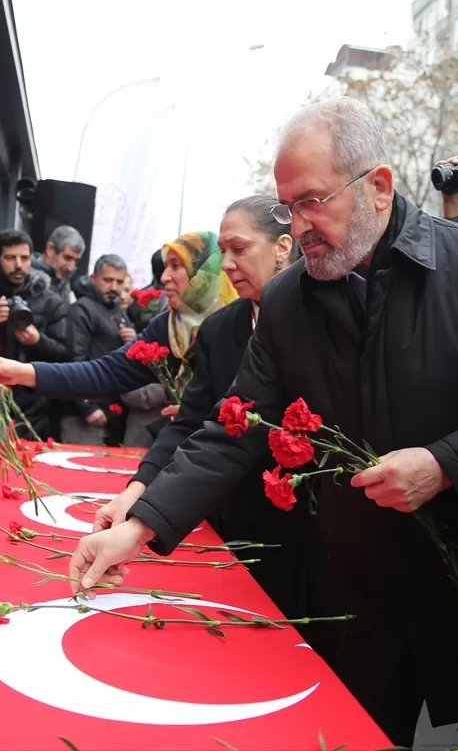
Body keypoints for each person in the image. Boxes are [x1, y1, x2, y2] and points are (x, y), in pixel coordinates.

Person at [52, 98, 458, 749]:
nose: (300, 227)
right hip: (370, 600)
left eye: (312, 201)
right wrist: (140, 525)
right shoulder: (287, 302)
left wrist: (448, 464)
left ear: (380, 187)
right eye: (288, 208)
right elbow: (234, 426)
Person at [90, 196, 329, 627]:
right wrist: (135, 492)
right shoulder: (221, 329)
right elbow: (191, 423)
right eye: (225, 252)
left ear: (282, 247)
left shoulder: (324, 319)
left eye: (240, 249)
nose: (229, 264)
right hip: (233, 519)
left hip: (315, 532)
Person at [0, 231, 238, 449]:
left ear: (204, 273)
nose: (164, 277)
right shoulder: (169, 327)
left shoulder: (240, 325)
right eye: (166, 266)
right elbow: (107, 372)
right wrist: (25, 373)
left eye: (176, 266)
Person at [0, 229, 71, 440]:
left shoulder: (49, 300)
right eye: (10, 258)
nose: (19, 265)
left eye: (24, 258)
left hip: (34, 407)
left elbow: (67, 353)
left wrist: (38, 341)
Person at [63, 253, 135, 445]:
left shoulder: (117, 309)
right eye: (108, 280)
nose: (114, 287)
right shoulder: (82, 309)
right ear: (93, 278)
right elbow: (75, 359)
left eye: (119, 282)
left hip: (111, 412)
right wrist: (86, 406)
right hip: (83, 415)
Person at [32, 224, 88, 305]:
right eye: (67, 258)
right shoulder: (25, 277)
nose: (71, 268)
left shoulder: (65, 280)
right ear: (50, 249)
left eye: (76, 261)